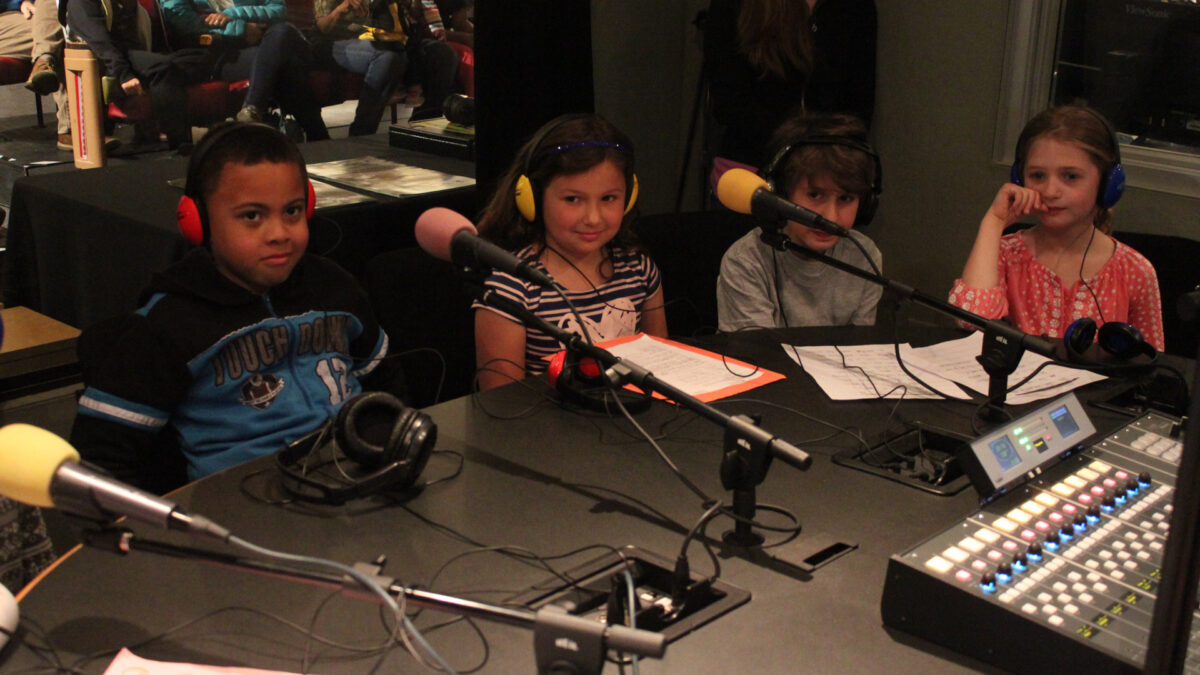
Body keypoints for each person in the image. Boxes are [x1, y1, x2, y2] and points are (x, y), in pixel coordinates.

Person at [70, 122, 403, 490]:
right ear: (197, 221)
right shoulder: (170, 324)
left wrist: (384, 450)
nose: (279, 233)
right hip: (245, 504)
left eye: (292, 211)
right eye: (251, 216)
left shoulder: (335, 287)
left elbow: (385, 385)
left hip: (353, 480)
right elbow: (102, 460)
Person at [472, 113, 668, 391]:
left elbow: (661, 368)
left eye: (608, 198)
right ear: (532, 198)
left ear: (629, 196)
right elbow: (500, 402)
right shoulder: (511, 288)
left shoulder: (639, 270)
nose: (593, 217)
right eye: (573, 199)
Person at [949, 105, 1165, 352]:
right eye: (1038, 176)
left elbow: (1150, 365)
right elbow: (970, 322)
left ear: (1107, 183)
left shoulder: (1135, 271)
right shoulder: (1006, 255)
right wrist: (993, 223)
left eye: (1070, 177)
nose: (1050, 191)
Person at [716, 113, 883, 331]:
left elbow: (860, 353)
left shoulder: (865, 258)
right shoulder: (747, 261)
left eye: (846, 198)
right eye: (815, 195)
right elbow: (757, 357)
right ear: (783, 194)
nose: (830, 217)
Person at [702, 0, 876, 182]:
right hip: (750, 172)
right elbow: (729, 100)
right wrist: (798, 148)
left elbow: (859, 106)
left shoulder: (856, 7)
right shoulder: (736, 6)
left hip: (828, 174)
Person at [159, 0, 330, 141]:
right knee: (287, 62)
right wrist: (242, 29)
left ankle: (252, 108)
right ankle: (317, 134)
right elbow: (186, 23)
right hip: (223, 53)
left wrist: (232, 15)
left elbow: (277, 10)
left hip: (267, 43)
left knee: (281, 33)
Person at [66, 0, 211, 150]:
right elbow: (101, 44)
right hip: (108, 63)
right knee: (162, 67)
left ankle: (156, 129)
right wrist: (124, 74)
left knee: (198, 59)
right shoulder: (80, 2)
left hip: (134, 56)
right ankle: (179, 140)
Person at [310, 0, 406, 136]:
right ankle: (361, 133)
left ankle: (422, 127)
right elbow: (322, 28)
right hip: (331, 43)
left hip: (372, 39)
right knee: (387, 58)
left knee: (399, 54)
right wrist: (341, 9)